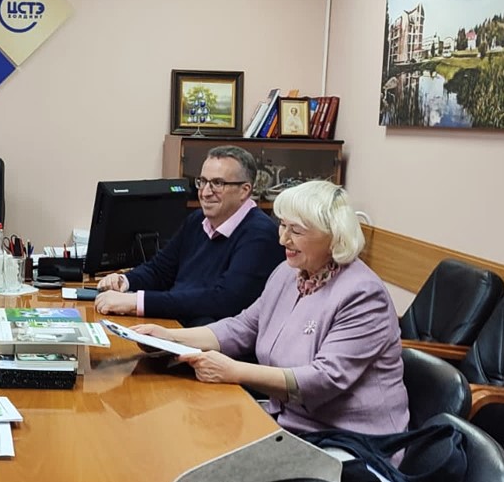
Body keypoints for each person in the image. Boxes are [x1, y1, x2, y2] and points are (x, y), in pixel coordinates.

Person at [132, 180, 409, 436]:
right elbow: (243, 327)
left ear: (334, 237)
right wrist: (169, 338)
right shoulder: (288, 273)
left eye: (296, 231)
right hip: (287, 421)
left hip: (350, 438)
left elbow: (325, 378)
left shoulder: (363, 294)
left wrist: (234, 371)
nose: (283, 239)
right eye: (282, 226)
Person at [95, 145, 285, 327]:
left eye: (217, 183)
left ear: (245, 190)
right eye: (202, 181)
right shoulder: (198, 220)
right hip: (175, 325)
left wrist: (136, 302)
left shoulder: (260, 235)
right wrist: (125, 281)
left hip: (211, 341)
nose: (205, 192)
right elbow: (160, 270)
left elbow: (223, 301)